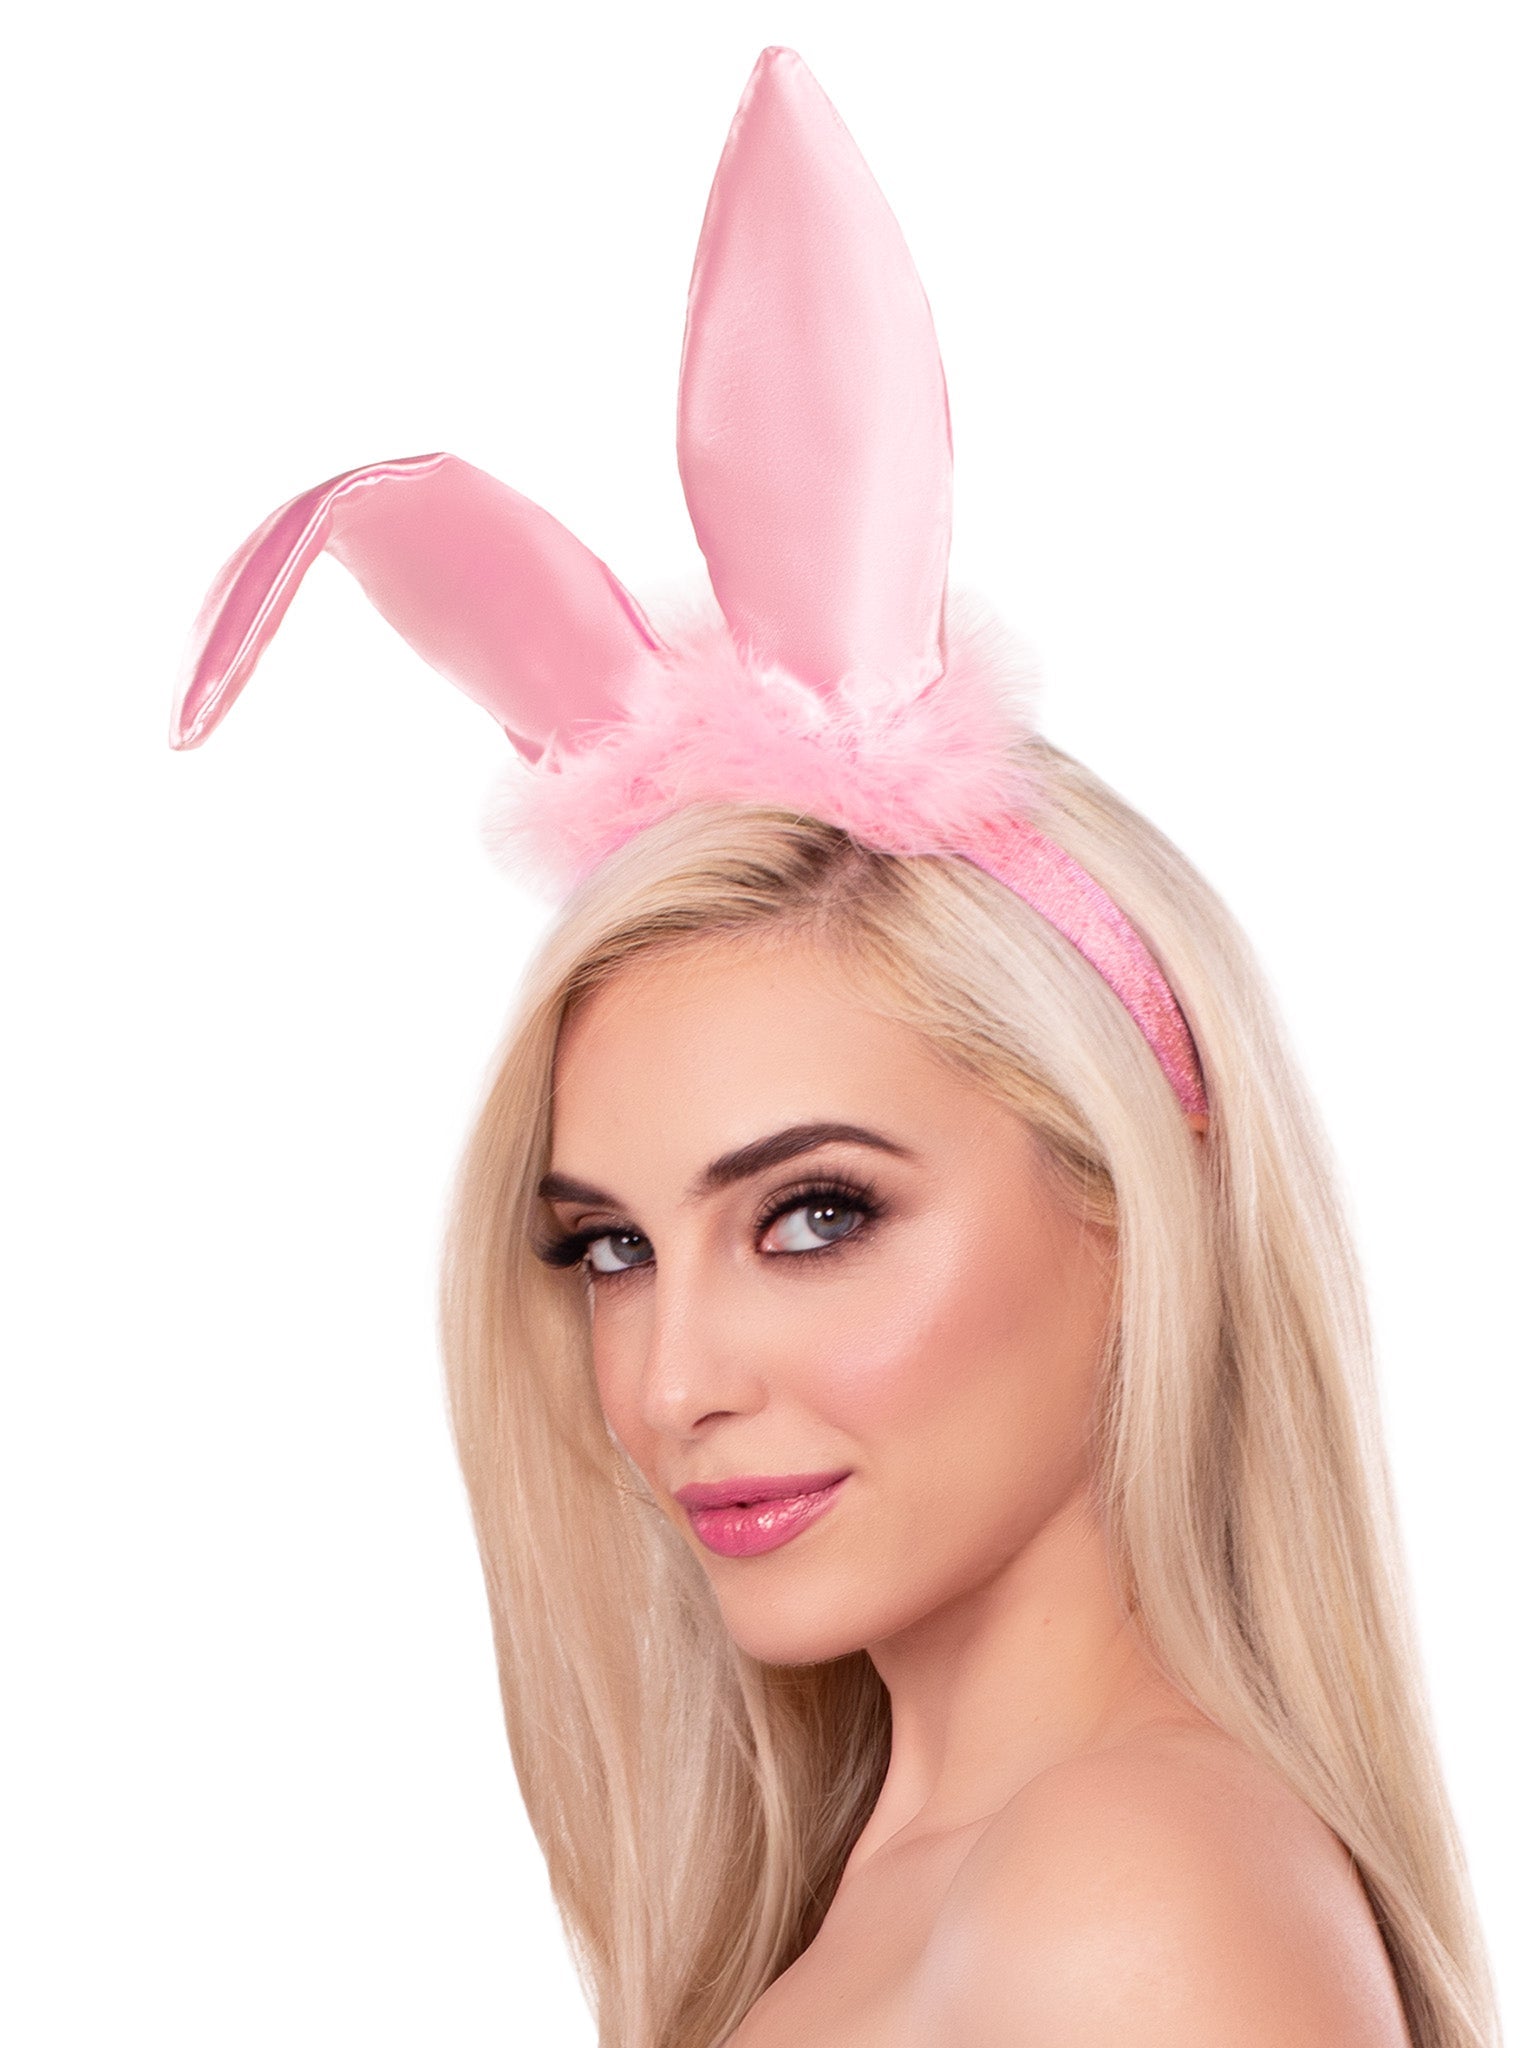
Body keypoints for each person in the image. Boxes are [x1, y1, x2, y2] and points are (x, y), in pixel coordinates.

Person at [169, 45, 1502, 2048]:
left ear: (1139, 1196)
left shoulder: (1129, 1895)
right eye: (608, 1247)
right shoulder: (916, 1892)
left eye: (812, 1214)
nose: (670, 1381)